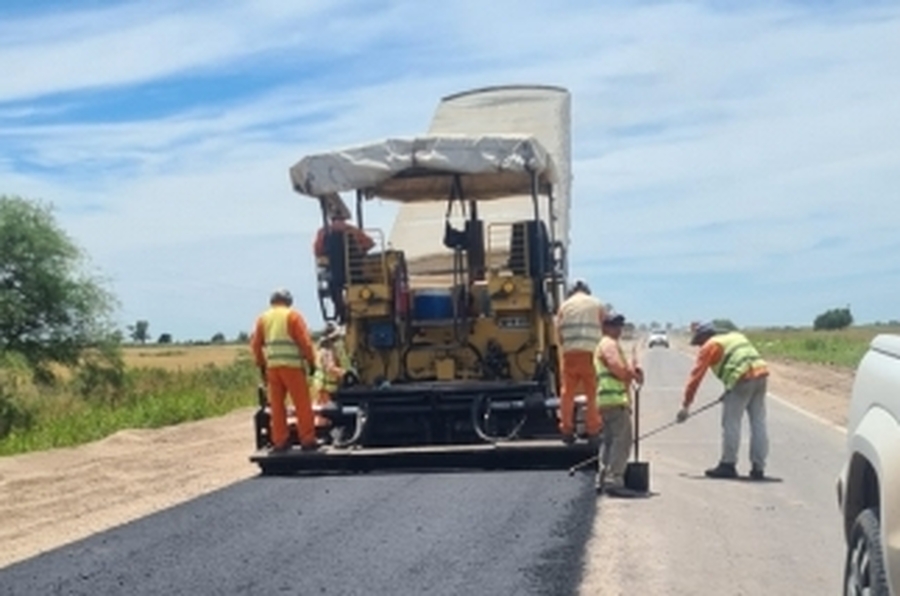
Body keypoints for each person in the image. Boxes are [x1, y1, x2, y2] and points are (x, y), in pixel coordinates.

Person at [677, 322, 770, 479]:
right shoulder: (736, 336)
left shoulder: (710, 346)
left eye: (699, 341)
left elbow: (696, 377)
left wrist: (686, 405)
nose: (700, 346)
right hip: (761, 375)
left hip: (741, 379)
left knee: (731, 423)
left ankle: (728, 464)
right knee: (758, 423)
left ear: (705, 336)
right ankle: (758, 468)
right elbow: (739, 360)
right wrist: (729, 390)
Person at [250, 288, 319, 452]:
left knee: (277, 407)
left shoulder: (263, 318)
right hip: (293, 368)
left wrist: (261, 365)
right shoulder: (293, 316)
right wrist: (311, 362)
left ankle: (280, 441)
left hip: (273, 369)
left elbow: (255, 344)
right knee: (302, 404)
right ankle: (307, 440)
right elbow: (305, 342)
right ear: (289, 301)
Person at [594, 313, 644, 497]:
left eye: (620, 326)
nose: (619, 330)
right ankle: (614, 480)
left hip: (606, 400)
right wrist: (631, 374)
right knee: (622, 441)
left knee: (609, 442)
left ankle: (602, 479)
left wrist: (631, 372)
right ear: (605, 327)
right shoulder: (609, 344)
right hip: (614, 400)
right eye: (615, 326)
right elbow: (616, 366)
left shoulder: (604, 344)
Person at [555, 278, 607, 443]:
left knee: (567, 393)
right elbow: (605, 329)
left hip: (570, 354)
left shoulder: (564, 306)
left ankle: (567, 430)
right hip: (591, 354)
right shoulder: (597, 304)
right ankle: (593, 430)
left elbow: (559, 333)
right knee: (593, 393)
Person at [312, 322, 354, 428]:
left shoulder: (320, 349)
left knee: (320, 410)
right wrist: (345, 373)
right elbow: (330, 368)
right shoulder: (328, 351)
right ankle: (322, 430)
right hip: (326, 387)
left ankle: (320, 430)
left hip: (321, 385)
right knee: (325, 411)